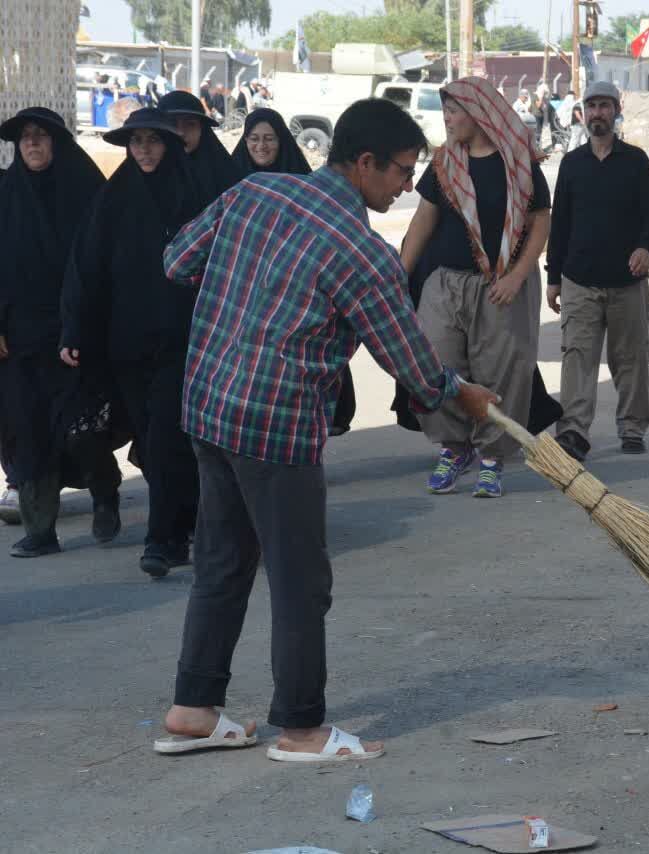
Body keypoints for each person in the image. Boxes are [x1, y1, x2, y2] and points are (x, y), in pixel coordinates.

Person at [156, 97, 498, 762]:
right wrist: (466, 395)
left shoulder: (252, 193)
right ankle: (302, 729)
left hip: (208, 407)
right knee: (299, 580)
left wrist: (242, 292)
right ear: (364, 162)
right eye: (401, 170)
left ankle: (193, 708)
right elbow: (414, 368)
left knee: (222, 564)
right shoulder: (362, 253)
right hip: (274, 428)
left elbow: (176, 262)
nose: (406, 186)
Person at [60, 108, 203, 576]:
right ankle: (181, 527)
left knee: (164, 438)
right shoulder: (113, 198)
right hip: (127, 344)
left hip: (183, 342)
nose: (143, 149)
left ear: (169, 145)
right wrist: (75, 330)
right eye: (136, 141)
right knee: (152, 439)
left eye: (152, 140)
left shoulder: (192, 197)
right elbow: (87, 269)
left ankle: (161, 540)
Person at [398, 77, 551, 498]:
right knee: (436, 362)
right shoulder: (445, 163)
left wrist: (517, 276)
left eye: (453, 112)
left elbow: (540, 222)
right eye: (445, 112)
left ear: (478, 113)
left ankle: (492, 457)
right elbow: (423, 221)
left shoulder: (519, 163)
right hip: (445, 283)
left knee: (501, 371)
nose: (446, 120)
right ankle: (454, 447)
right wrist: (397, 276)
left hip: (502, 284)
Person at [0, 108, 122, 558]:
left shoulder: (88, 193)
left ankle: (104, 490)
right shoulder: (6, 195)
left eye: (41, 135)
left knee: (80, 429)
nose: (32, 143)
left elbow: (105, 264)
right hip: (21, 337)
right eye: (25, 137)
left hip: (78, 333)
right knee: (29, 430)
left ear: (57, 142)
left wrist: (89, 325)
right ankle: (40, 529)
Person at [547, 81, 649, 462]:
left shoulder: (636, 162)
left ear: (616, 111)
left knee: (630, 359)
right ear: (583, 113)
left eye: (604, 106)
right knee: (577, 358)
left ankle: (632, 428)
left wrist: (647, 248)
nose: (597, 113)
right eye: (592, 106)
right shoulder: (572, 164)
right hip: (579, 281)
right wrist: (553, 278)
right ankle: (573, 432)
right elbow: (560, 224)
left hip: (627, 284)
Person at [229, 107, 357, 436]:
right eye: (253, 139)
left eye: (269, 139)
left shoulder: (302, 183)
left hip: (292, 294)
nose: (260, 146)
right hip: (243, 294)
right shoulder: (230, 180)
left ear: (282, 141)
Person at [157, 90, 245, 212]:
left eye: (190, 124)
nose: (181, 132)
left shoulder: (226, 178)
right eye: (172, 124)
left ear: (202, 129)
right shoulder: (145, 176)